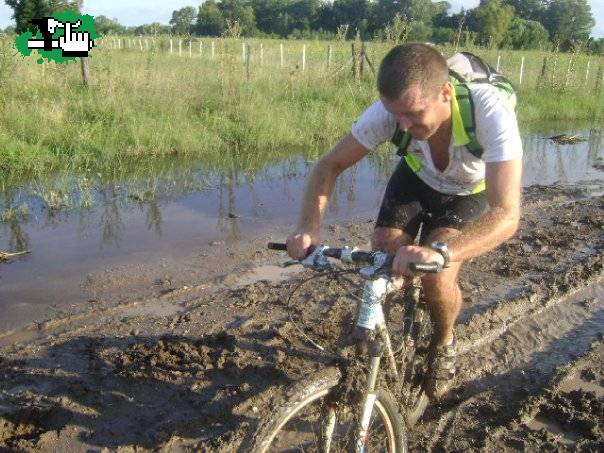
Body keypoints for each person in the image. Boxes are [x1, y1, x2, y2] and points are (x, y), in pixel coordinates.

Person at [286, 43, 523, 400]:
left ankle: (444, 344)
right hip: (417, 176)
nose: (404, 126)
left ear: (445, 93)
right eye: (395, 116)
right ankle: (399, 319)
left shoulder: (489, 111)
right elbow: (328, 165)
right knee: (383, 247)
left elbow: (506, 214)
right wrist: (308, 227)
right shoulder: (390, 114)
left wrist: (442, 253)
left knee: (437, 272)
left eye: (413, 114)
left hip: (468, 190)